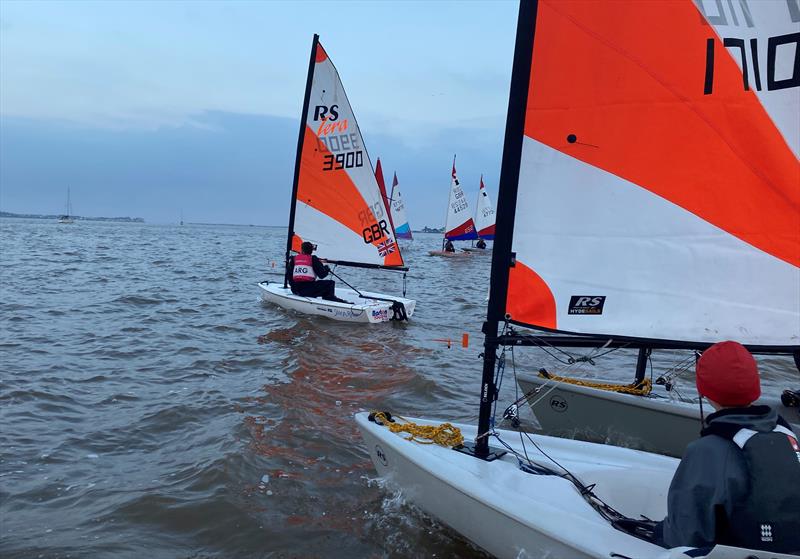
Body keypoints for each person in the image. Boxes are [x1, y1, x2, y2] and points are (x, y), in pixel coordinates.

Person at [655, 341, 800, 553]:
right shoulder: (789, 435)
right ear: (756, 386)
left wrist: (659, 532)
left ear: (704, 391)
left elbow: (685, 535)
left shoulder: (707, 450)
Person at [286, 242, 351, 304]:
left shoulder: (294, 259)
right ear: (312, 251)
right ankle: (330, 298)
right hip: (306, 290)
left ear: (301, 249)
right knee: (330, 283)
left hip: (295, 290)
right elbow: (322, 275)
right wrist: (326, 269)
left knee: (316, 285)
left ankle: (326, 297)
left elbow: (289, 276)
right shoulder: (313, 259)